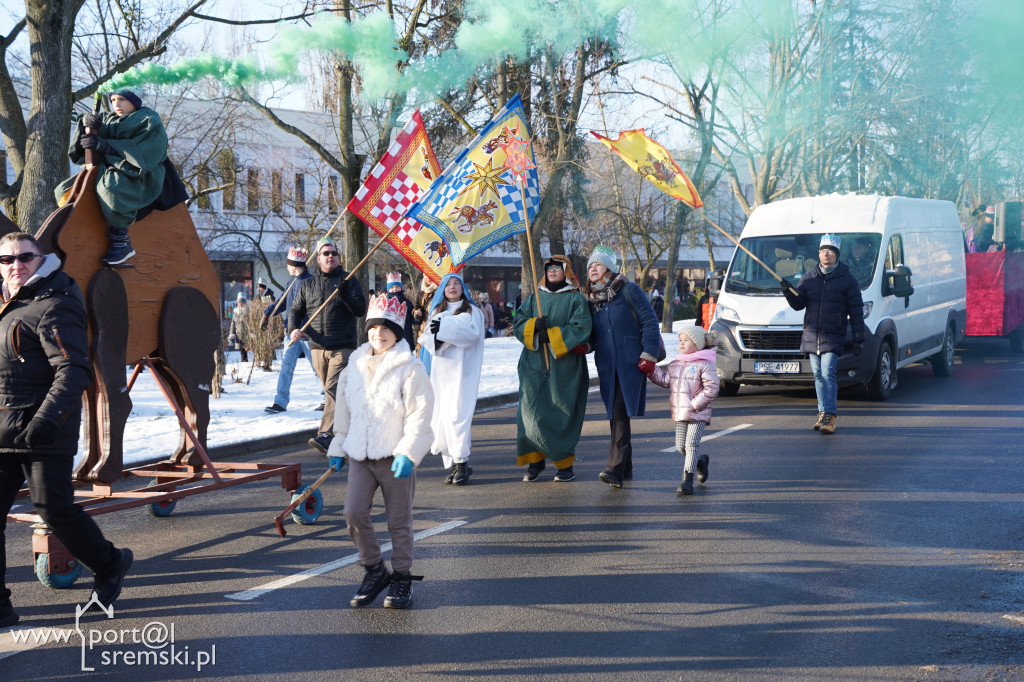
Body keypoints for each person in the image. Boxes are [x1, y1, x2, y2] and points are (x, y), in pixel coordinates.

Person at [0, 233, 133, 626]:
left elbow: (74, 370)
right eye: (6, 259)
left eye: (25, 257)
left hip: (45, 428)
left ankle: (109, 563)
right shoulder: (6, 304)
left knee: (53, 508)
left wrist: (47, 419)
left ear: (41, 259)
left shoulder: (56, 303)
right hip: (4, 428)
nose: (16, 265)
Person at [327, 293, 433, 609]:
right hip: (361, 455)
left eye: (386, 328)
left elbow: (420, 414)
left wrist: (408, 453)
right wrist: (338, 445)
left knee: (398, 521)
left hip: (395, 456)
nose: (379, 334)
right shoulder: (353, 368)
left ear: (397, 332)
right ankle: (375, 570)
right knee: (353, 512)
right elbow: (343, 411)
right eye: (374, 328)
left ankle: (401, 578)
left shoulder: (410, 367)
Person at [55, 89, 177, 266]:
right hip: (106, 169)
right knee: (66, 190)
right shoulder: (107, 119)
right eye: (113, 99)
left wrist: (106, 146)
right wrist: (86, 125)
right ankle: (81, 230)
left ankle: (121, 240)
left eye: (122, 99)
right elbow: (84, 150)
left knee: (111, 190)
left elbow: (148, 153)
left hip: (140, 175)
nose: (116, 104)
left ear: (134, 101)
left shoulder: (149, 120)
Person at [583, 246, 662, 488]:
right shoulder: (592, 299)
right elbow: (594, 333)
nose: (593, 268)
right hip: (607, 364)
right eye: (590, 265)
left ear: (609, 268)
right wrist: (586, 345)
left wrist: (649, 354)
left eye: (598, 264)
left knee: (618, 413)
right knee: (616, 413)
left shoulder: (629, 289)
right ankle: (625, 466)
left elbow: (650, 321)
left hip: (631, 362)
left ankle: (614, 469)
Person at [514, 256, 593, 483]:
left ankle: (564, 465)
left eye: (557, 268)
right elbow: (518, 321)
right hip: (533, 364)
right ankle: (535, 461)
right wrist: (533, 327)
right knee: (530, 414)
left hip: (565, 366)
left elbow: (582, 327)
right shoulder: (535, 298)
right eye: (549, 268)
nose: (552, 271)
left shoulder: (576, 299)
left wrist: (551, 335)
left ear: (566, 272)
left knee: (561, 413)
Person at [780, 233, 865, 434]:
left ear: (836, 255)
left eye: (830, 251)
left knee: (828, 373)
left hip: (833, 334)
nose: (826, 254)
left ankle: (830, 416)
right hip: (811, 335)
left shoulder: (847, 280)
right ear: (818, 254)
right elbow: (798, 304)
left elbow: (856, 311)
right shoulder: (808, 278)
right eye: (822, 251)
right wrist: (788, 291)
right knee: (818, 375)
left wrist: (859, 338)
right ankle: (822, 413)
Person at [288, 237, 367, 454]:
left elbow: (360, 310)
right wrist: (293, 328)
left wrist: (345, 295)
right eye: (326, 253)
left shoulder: (348, 280)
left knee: (333, 389)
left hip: (343, 346)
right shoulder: (308, 284)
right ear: (318, 258)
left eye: (334, 253)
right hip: (317, 347)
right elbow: (296, 310)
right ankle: (353, 430)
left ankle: (325, 435)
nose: (331, 256)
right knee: (335, 393)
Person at [417, 273, 485, 486]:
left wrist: (443, 330)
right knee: (443, 417)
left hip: (463, 372)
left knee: (458, 415)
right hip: (442, 373)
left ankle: (462, 461)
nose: (452, 287)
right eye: (448, 284)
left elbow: (471, 336)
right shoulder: (436, 312)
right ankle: (456, 462)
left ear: (463, 288)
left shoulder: (472, 312)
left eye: (457, 283)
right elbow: (427, 339)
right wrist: (440, 335)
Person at [644, 326, 720, 495]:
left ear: (697, 344)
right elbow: (665, 380)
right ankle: (700, 461)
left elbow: (712, 388)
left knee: (691, 444)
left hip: (698, 413)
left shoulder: (705, 364)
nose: (682, 344)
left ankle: (687, 480)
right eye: (680, 340)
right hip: (681, 414)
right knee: (681, 447)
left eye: (686, 340)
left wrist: (694, 405)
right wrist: (651, 370)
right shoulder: (675, 364)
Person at [263, 247, 323, 414]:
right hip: (291, 334)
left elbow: (316, 308)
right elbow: (282, 303)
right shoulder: (291, 283)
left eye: (288, 265)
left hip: (309, 335)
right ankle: (280, 402)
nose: (287, 267)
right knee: (286, 368)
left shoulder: (312, 282)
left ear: (294, 266)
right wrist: (267, 313)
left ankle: (326, 400)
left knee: (317, 368)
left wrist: (308, 328)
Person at [385, 272, 416, 351]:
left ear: (401, 288)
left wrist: (418, 316)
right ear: (388, 289)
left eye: (397, 287)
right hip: (390, 340)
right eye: (392, 287)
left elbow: (414, 321)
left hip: (406, 339)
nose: (395, 289)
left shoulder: (407, 303)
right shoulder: (385, 304)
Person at [228, 292, 249, 363]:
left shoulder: (247, 312)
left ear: (245, 303)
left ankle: (246, 363)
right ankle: (244, 363)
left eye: (242, 302)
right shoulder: (235, 312)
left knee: (246, 351)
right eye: (239, 302)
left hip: (246, 335)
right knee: (241, 352)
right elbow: (233, 324)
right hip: (238, 335)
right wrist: (232, 334)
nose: (241, 304)